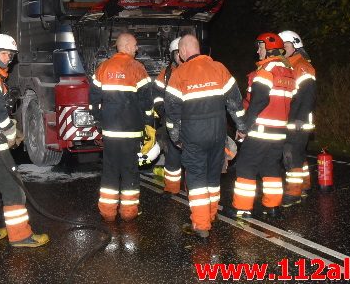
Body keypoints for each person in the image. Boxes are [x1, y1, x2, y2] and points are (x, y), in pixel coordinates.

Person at [0, 34, 49, 248]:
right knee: (14, 189)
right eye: (4, 54)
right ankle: (21, 236)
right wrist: (10, 130)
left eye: (11, 56)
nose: (8, 59)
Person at [165, 35, 246, 239]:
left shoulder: (179, 74)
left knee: (197, 176)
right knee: (212, 175)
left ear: (183, 52)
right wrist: (242, 127)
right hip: (218, 133)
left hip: (193, 136)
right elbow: (235, 102)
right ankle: (211, 214)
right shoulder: (219, 68)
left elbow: (172, 112)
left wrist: (175, 137)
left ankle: (201, 224)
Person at [225, 33, 295, 219]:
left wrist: (244, 127)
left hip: (260, 131)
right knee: (270, 168)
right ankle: (273, 207)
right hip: (279, 132)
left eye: (260, 47)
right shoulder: (288, 72)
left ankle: (242, 208)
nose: (257, 50)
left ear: (270, 48)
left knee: (246, 167)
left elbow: (259, 101)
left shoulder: (266, 70)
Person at [90, 32, 153, 222]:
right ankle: (128, 212)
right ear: (125, 46)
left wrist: (100, 120)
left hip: (110, 131)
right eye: (135, 46)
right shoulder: (137, 68)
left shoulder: (103, 68)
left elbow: (93, 100)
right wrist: (148, 126)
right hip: (131, 131)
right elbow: (146, 103)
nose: (136, 49)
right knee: (129, 170)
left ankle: (107, 212)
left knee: (109, 170)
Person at [279, 30, 317, 206]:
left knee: (290, 153)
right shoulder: (287, 65)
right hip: (290, 118)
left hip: (299, 120)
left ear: (295, 45)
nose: (281, 49)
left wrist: (300, 119)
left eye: (284, 46)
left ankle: (293, 193)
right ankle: (305, 185)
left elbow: (309, 94)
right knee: (298, 154)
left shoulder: (302, 66)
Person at [152, 37, 184, 195]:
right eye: (178, 53)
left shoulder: (194, 70)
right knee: (172, 156)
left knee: (194, 157)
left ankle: (195, 191)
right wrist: (162, 111)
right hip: (171, 121)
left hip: (191, 121)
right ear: (173, 55)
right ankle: (171, 189)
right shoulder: (166, 74)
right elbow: (157, 94)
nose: (181, 55)